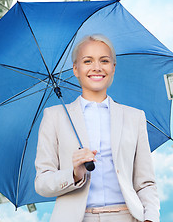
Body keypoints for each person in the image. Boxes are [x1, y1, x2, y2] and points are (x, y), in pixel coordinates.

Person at [35, 34, 159, 222]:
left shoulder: (135, 117)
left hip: (127, 216)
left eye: (104, 61)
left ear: (113, 68)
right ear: (76, 69)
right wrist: (74, 174)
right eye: (87, 61)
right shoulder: (55, 117)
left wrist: (150, 217)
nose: (97, 67)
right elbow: (42, 183)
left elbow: (146, 182)